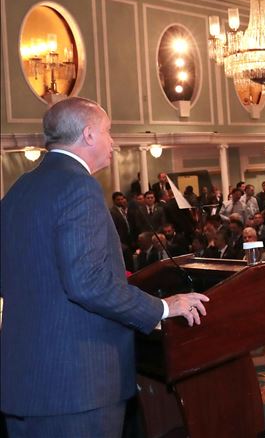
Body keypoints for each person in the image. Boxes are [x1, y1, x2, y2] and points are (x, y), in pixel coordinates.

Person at [0, 97, 208, 436]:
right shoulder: (78, 186)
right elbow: (88, 283)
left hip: (26, 380)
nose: (113, 142)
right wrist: (164, 307)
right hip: (77, 383)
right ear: (88, 134)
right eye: (108, 131)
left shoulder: (21, 188)